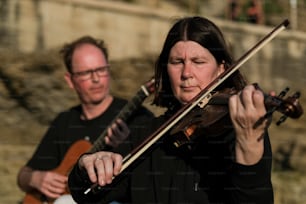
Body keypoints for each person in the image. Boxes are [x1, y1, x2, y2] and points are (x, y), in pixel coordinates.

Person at [68, 16, 274, 204]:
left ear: (221, 69)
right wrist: (85, 166)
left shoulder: (237, 132)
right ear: (166, 69)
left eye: (198, 62)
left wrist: (248, 148)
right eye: (177, 62)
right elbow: (85, 194)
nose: (186, 73)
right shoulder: (145, 134)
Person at [17, 35, 154, 203]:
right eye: (86, 73)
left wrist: (126, 146)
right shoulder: (65, 121)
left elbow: (153, 178)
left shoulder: (138, 117)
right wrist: (35, 178)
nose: (96, 79)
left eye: (101, 70)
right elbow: (23, 175)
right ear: (70, 80)